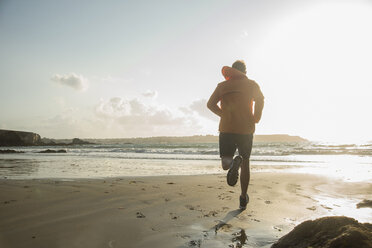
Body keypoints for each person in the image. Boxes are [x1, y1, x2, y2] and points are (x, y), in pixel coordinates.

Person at [207, 60, 264, 210]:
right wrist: (256, 117)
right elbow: (260, 99)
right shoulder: (252, 84)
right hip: (246, 129)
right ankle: (243, 198)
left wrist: (224, 115)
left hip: (227, 128)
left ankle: (232, 163)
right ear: (245, 72)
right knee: (245, 162)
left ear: (231, 71)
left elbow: (210, 104)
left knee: (225, 164)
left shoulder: (222, 86)